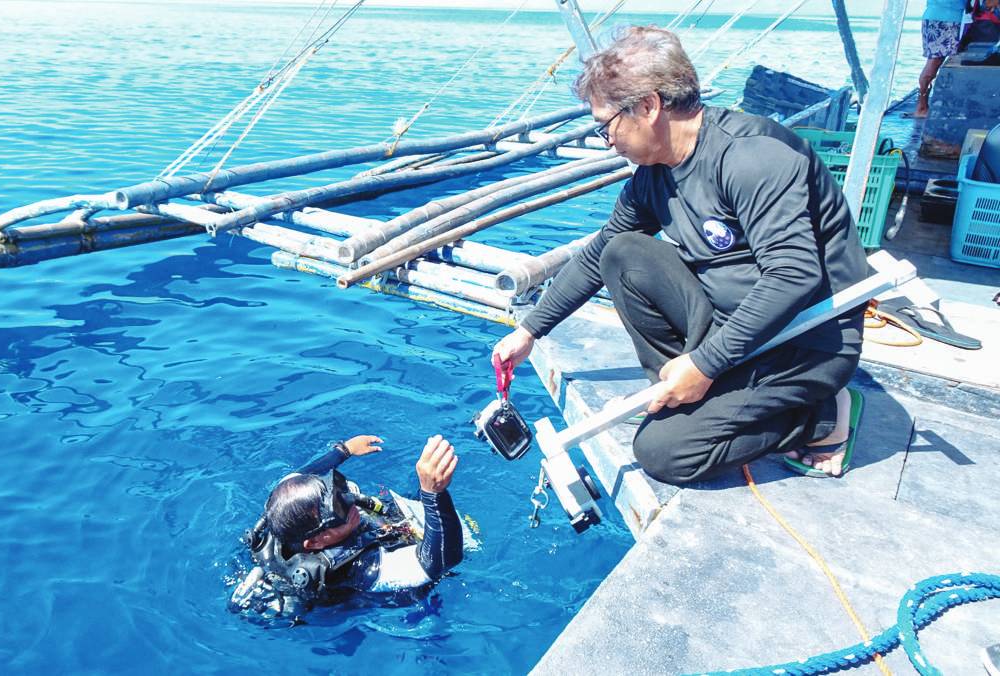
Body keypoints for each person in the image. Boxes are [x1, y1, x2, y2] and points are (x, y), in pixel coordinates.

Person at [491, 26, 871, 485]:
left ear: (649, 107)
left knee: (663, 454)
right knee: (622, 252)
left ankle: (822, 416)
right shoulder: (654, 174)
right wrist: (530, 330)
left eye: (604, 125)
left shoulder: (751, 159)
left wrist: (707, 363)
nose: (605, 140)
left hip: (805, 341)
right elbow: (598, 255)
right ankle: (697, 393)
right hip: (733, 324)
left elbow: (793, 275)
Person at [230, 434, 464, 617]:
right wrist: (434, 493)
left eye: (338, 493)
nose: (352, 502)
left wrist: (345, 449)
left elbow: (301, 476)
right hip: (370, 591)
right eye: (339, 511)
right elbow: (438, 563)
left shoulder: (282, 501)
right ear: (316, 541)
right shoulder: (359, 570)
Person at [917, 0, 969, 117]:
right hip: (946, 19)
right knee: (933, 64)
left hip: (942, 17)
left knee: (934, 63)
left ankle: (923, 105)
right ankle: (921, 107)